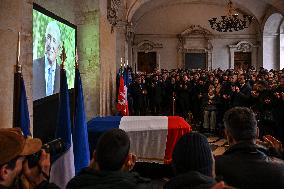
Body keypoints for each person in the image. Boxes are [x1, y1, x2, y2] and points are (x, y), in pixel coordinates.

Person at [215, 107, 284, 189]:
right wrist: (278, 156)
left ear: (228, 135)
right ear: (257, 132)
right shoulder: (280, 167)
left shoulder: (215, 167)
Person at [66, 128, 152, 189]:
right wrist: (126, 173)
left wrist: (89, 170)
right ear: (128, 160)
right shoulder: (140, 185)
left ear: (95, 155)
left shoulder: (74, 185)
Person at [33, 21, 61, 101]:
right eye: (48, 38)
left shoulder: (62, 73)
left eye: (54, 40)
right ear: (45, 40)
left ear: (58, 48)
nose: (50, 44)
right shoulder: (33, 67)